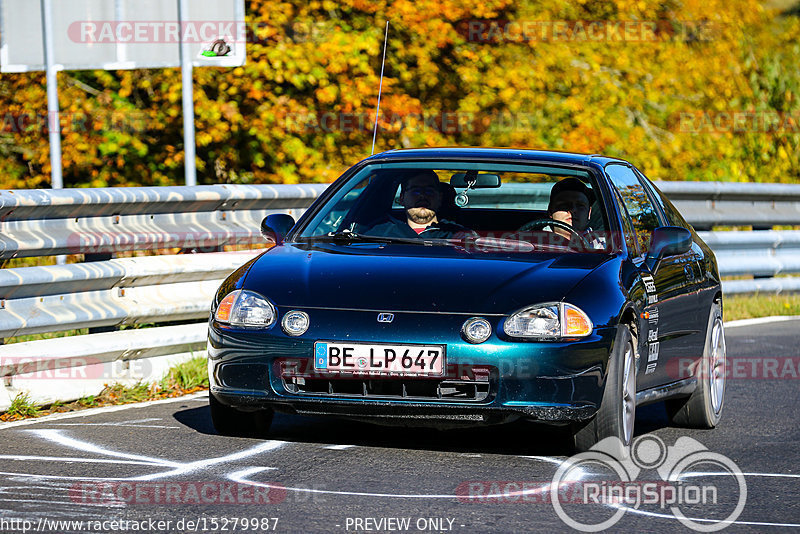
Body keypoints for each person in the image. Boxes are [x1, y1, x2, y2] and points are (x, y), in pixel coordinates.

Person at [361, 170, 474, 239]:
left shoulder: (458, 234)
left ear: (440, 198)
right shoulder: (379, 234)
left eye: (429, 191)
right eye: (416, 191)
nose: (422, 196)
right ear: (402, 199)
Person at [546, 178, 605, 249]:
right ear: (550, 211)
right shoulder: (532, 240)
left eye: (580, 206)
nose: (573, 210)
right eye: (564, 205)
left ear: (589, 213)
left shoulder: (603, 246)